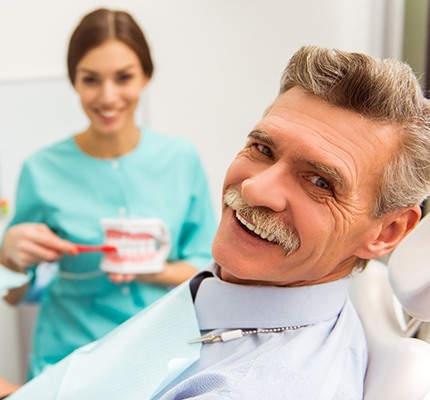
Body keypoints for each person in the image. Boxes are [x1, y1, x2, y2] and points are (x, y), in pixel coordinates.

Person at [7, 45, 430, 399]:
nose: (255, 190)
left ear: (387, 232)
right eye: (263, 149)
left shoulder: (245, 386)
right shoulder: (232, 290)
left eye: (320, 181)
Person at [0, 7, 216, 382]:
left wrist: (155, 270)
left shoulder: (181, 159)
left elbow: (208, 270)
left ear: (146, 76)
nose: (108, 96)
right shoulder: (41, 169)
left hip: (160, 359)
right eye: (91, 80)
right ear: (74, 82)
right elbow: (16, 295)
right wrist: (9, 259)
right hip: (65, 364)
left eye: (124, 77)